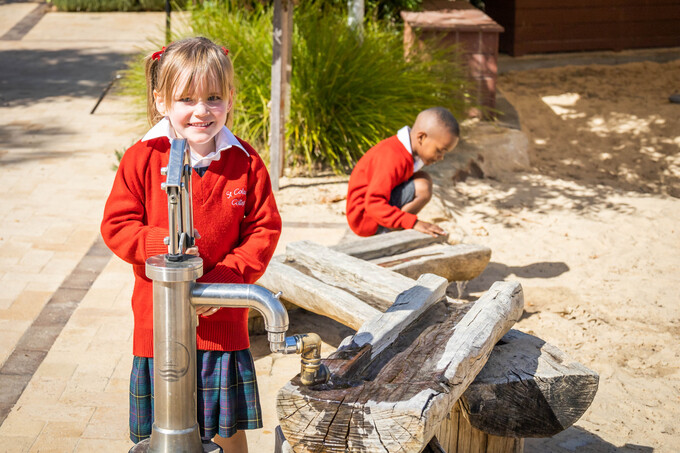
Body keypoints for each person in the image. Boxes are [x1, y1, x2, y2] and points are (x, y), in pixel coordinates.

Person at [100, 37, 281, 453]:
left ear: (231, 99)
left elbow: (263, 229)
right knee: (163, 432)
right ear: (162, 101)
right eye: (187, 99)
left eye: (214, 97)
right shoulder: (141, 159)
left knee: (226, 430)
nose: (202, 110)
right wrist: (155, 243)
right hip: (159, 325)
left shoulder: (246, 162)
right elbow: (116, 224)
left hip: (222, 322)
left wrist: (228, 277)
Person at [346, 107, 460, 237]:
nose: (441, 157)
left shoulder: (407, 152)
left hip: (373, 210)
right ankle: (388, 231)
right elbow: (373, 203)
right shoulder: (392, 156)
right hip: (365, 218)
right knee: (423, 185)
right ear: (421, 137)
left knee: (422, 178)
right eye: (440, 150)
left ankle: (395, 225)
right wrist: (413, 223)